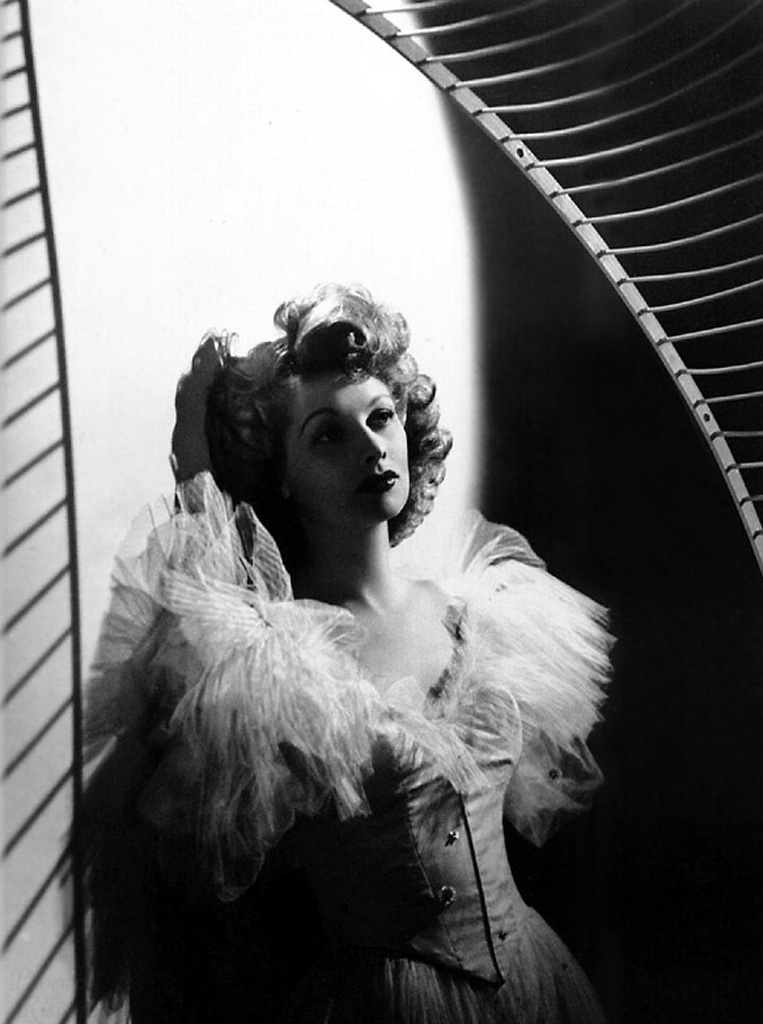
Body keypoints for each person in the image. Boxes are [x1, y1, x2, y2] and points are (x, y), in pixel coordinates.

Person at [82, 283, 611, 1023]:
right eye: (328, 436)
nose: (371, 447)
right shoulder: (274, 661)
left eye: (381, 417)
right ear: (282, 473)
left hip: (538, 984)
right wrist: (197, 455)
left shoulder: (486, 613)